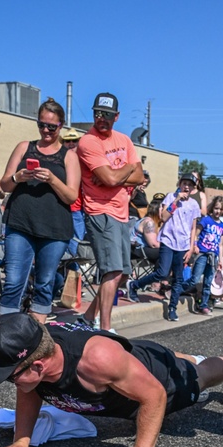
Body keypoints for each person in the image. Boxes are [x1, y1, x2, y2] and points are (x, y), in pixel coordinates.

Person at [0, 313, 223, 447]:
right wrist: (21, 440)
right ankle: (176, 357)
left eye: (11, 376)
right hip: (131, 362)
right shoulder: (38, 350)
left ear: (38, 367)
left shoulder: (96, 361)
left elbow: (153, 396)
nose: (10, 382)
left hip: (160, 380)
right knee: (163, 358)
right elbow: (29, 389)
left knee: (198, 376)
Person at [0, 99, 80, 323]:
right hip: (20, 223)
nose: (45, 130)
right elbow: (4, 185)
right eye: (41, 125)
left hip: (54, 228)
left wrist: (52, 179)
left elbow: (72, 196)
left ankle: (36, 333)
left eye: (51, 127)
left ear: (60, 126)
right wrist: (18, 177)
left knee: (45, 281)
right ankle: (7, 330)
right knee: (14, 279)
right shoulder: (24, 147)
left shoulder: (69, 156)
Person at [76, 92, 145, 332]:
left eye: (106, 114)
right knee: (112, 271)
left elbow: (139, 176)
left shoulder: (124, 140)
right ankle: (105, 329)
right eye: (97, 113)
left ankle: (88, 316)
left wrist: (121, 174)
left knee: (123, 274)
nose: (101, 118)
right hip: (100, 212)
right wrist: (125, 173)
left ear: (116, 116)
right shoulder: (88, 142)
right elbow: (109, 178)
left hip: (122, 213)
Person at [127, 173, 201, 321]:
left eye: (190, 184)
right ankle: (135, 285)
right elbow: (164, 217)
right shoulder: (170, 197)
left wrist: (192, 247)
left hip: (183, 244)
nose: (186, 186)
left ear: (193, 188)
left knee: (178, 278)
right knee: (162, 273)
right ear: (179, 184)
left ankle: (172, 308)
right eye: (184, 183)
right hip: (168, 241)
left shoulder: (194, 204)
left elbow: (193, 228)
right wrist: (177, 200)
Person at [188, 195, 223, 314]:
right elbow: (196, 233)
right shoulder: (206, 220)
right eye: (216, 208)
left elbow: (221, 244)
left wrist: (220, 260)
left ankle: (204, 305)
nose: (218, 211)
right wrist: (195, 245)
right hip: (202, 254)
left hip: (213, 256)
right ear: (212, 208)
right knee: (194, 279)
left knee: (208, 281)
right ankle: (179, 290)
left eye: (221, 209)